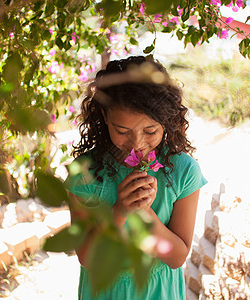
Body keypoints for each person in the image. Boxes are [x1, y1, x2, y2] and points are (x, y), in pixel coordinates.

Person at [66, 55, 207, 300]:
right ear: (104, 116)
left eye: (150, 131)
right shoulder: (84, 173)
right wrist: (120, 210)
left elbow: (176, 258)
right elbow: (87, 258)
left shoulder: (183, 171)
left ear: (167, 120)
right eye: (122, 131)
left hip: (158, 292)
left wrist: (143, 211)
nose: (137, 144)